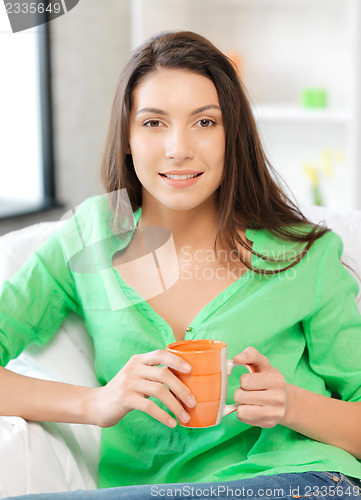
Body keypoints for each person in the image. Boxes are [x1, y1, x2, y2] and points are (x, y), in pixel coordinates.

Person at [1, 30, 361, 500]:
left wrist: (290, 405)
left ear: (233, 136)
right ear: (127, 137)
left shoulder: (306, 255)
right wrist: (97, 402)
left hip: (300, 481)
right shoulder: (89, 237)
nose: (178, 148)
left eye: (205, 122)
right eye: (153, 123)